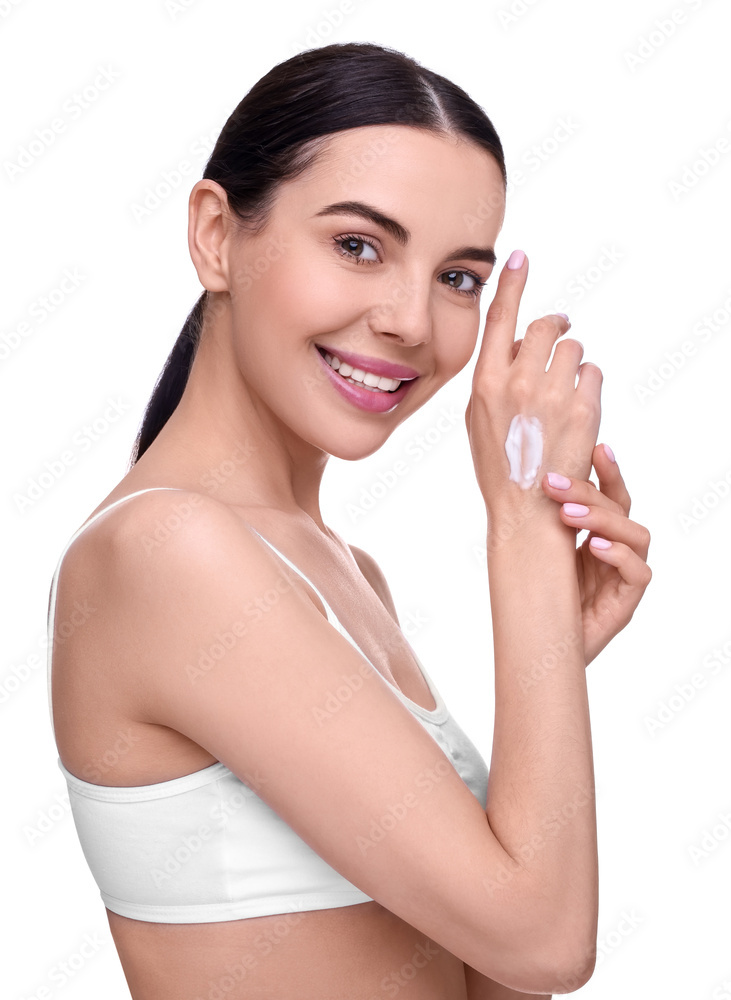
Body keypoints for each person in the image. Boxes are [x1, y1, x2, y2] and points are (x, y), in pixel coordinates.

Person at [46, 41, 652, 1000]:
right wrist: (521, 536)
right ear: (215, 235)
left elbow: (494, 975)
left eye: (458, 277)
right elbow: (545, 944)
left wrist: (550, 652)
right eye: (358, 245)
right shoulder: (168, 551)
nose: (411, 319)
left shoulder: (345, 574)